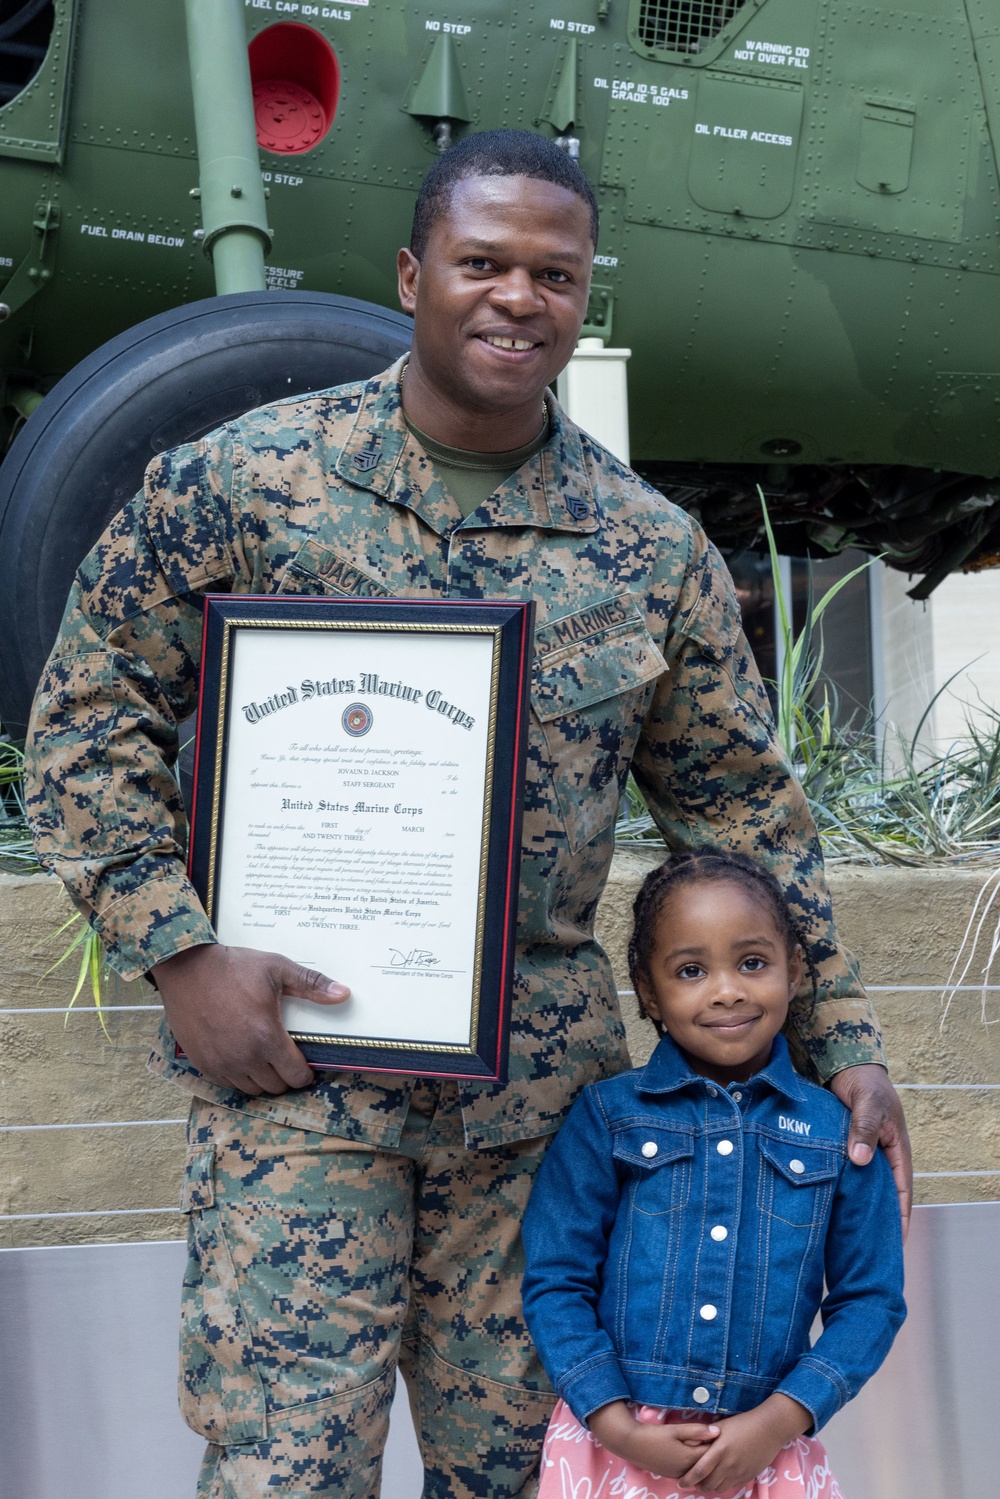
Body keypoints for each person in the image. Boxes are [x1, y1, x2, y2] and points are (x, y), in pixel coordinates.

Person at [24, 130, 910, 1499]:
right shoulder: (244, 483)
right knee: (285, 1469)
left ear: (584, 296)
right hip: (295, 1084)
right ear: (411, 273)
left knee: (522, 1471)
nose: (516, 297)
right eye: (481, 261)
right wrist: (178, 950)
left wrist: (839, 1034)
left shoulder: (647, 547)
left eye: (553, 274)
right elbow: (86, 724)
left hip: (536, 1127)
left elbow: (743, 812)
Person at [521, 848, 906, 1499]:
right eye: (692, 969)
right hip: (614, 1448)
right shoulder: (607, 1118)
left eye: (752, 963)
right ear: (649, 991)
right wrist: (616, 1424)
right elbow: (555, 1278)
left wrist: (778, 1419)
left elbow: (871, 1300)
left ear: (793, 970)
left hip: (766, 1448)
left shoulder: (837, 1133)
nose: (727, 989)